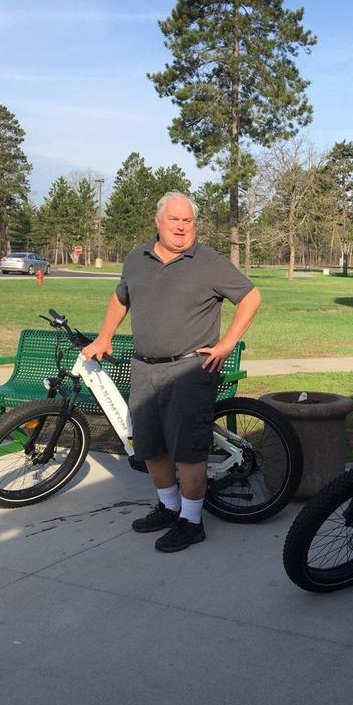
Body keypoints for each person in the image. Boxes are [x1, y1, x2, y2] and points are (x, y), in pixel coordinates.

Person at [82, 191, 262, 553]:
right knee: (149, 444)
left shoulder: (209, 262)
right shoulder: (136, 258)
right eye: (174, 220)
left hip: (190, 369)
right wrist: (104, 336)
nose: (181, 227)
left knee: (188, 450)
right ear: (158, 221)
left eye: (188, 221)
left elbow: (251, 297)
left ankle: (191, 522)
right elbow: (121, 297)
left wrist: (227, 343)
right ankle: (168, 507)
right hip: (144, 366)